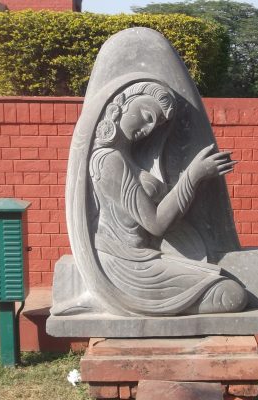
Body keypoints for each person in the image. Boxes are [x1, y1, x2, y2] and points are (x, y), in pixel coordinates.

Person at [87, 80, 248, 316]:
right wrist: (193, 176)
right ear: (122, 105)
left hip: (143, 257)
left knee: (226, 287)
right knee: (231, 295)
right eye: (147, 115)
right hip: (125, 265)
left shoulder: (125, 157)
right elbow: (156, 224)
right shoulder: (108, 160)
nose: (149, 127)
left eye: (158, 124)